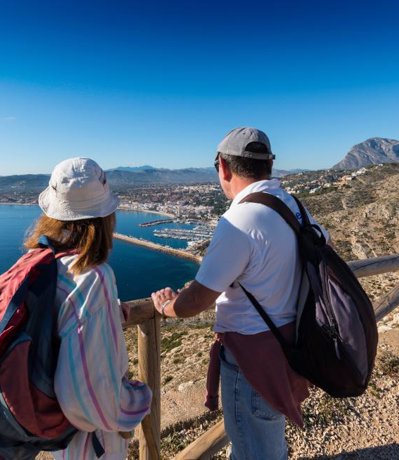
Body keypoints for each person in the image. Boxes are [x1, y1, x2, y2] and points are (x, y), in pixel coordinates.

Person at [151, 128, 327, 459]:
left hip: (253, 360)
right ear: (269, 166)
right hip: (294, 348)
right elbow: (323, 250)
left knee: (251, 449)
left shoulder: (240, 219)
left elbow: (199, 299)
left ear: (223, 168)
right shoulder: (294, 206)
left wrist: (166, 307)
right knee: (266, 438)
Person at [34, 157, 152, 459]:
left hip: (57, 439)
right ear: (106, 217)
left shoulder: (44, 265)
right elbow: (93, 402)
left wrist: (107, 312)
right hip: (91, 446)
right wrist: (139, 398)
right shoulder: (92, 277)